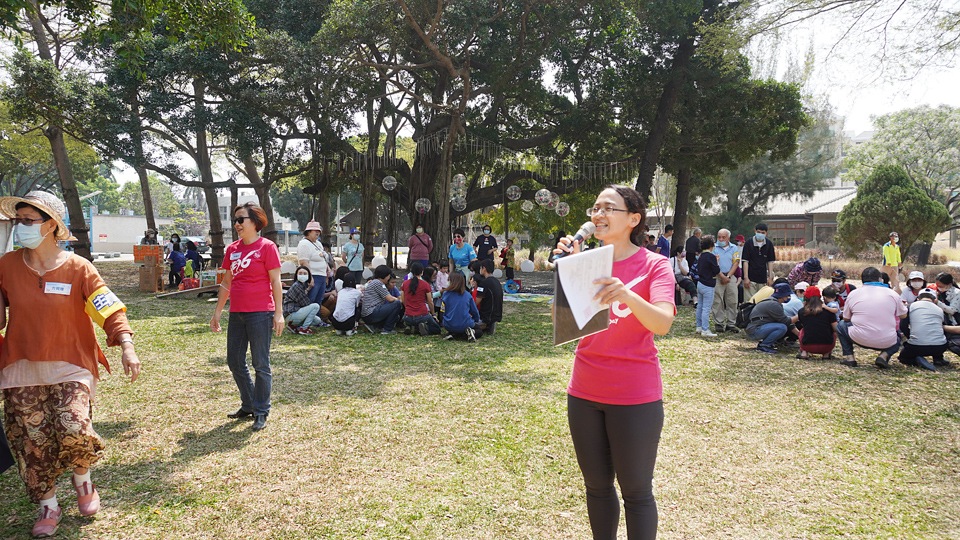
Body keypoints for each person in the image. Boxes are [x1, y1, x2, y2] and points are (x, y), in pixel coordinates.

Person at [0, 191, 140, 537]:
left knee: (73, 427)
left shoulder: (79, 267)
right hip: (20, 367)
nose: (20, 227)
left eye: (28, 221)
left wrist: (126, 344)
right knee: (33, 443)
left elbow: (108, 308)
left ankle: (83, 481)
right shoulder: (5, 266)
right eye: (17, 221)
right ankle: (49, 506)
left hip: (71, 364)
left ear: (51, 226)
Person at [554, 184, 675, 540]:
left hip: (635, 396)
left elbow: (662, 323)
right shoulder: (586, 262)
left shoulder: (654, 264)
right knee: (596, 487)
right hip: (584, 391)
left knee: (636, 491)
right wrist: (568, 270)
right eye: (595, 207)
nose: (598, 214)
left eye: (609, 208)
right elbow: (564, 323)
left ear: (633, 219)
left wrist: (626, 294)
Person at [210, 202, 284, 432]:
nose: (237, 224)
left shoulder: (267, 247)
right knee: (234, 361)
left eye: (241, 219)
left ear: (255, 221)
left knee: (260, 363)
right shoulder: (232, 250)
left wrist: (279, 313)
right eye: (235, 220)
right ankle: (249, 403)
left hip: (261, 312)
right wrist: (217, 312)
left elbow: (276, 281)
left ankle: (261, 411)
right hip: (237, 312)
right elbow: (227, 283)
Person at [837, 266, 908, 368]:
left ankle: (850, 358)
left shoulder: (854, 294)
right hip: (887, 340)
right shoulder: (892, 294)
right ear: (880, 279)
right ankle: (884, 356)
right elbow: (903, 315)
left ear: (862, 280)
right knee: (897, 338)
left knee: (841, 325)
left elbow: (846, 319)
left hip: (859, 338)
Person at [898, 289, 948, 371]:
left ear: (918, 298)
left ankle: (917, 361)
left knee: (903, 357)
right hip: (940, 347)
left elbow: (903, 326)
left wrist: (909, 336)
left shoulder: (911, 306)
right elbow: (944, 328)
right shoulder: (940, 310)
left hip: (917, 346)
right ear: (934, 299)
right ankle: (938, 359)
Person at [745, 282, 795, 354]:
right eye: (787, 295)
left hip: (755, 328)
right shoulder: (774, 304)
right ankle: (764, 345)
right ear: (783, 295)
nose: (788, 297)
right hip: (754, 331)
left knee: (781, 326)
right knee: (782, 327)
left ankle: (768, 343)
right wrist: (800, 315)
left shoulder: (773, 302)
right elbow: (786, 321)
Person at [795, 286, 838, 359]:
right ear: (820, 297)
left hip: (808, 345)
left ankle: (804, 352)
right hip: (827, 346)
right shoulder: (828, 311)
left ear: (805, 298)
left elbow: (803, 325)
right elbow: (836, 328)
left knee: (803, 330)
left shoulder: (802, 311)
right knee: (832, 332)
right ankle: (826, 354)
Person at [711, 228, 739, 334]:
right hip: (718, 276)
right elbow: (714, 263)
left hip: (730, 276)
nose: (721, 239)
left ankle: (731, 324)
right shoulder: (714, 248)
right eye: (719, 237)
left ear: (728, 238)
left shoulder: (734, 248)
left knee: (732, 300)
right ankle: (718, 323)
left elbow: (736, 262)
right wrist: (722, 276)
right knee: (718, 300)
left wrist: (728, 276)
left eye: (723, 237)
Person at [401, 262, 441, 336]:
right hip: (422, 316)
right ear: (422, 272)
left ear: (411, 271)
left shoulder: (405, 284)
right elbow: (430, 301)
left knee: (411, 320)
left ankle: (409, 326)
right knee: (437, 329)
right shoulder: (425, 284)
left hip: (407, 316)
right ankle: (423, 327)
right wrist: (433, 314)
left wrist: (408, 308)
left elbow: (403, 300)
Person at [441, 271, 482, 341]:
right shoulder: (468, 295)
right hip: (465, 324)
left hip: (449, 324)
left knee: (453, 326)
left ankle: (450, 333)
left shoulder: (445, 294)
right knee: (479, 331)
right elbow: (474, 311)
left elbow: (442, 311)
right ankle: (471, 332)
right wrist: (475, 320)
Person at [361, 265, 402, 334]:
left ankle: (375, 326)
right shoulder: (378, 283)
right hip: (371, 312)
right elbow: (390, 299)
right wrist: (398, 301)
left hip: (367, 314)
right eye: (388, 276)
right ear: (385, 276)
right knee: (397, 304)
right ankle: (387, 329)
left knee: (396, 317)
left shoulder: (374, 282)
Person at [283, 266, 322, 335]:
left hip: (293, 315)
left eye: (305, 273)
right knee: (315, 306)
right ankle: (304, 329)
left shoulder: (301, 285)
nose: (302, 275)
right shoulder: (297, 286)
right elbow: (306, 303)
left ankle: (293, 326)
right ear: (296, 275)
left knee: (317, 320)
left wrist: (308, 289)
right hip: (291, 314)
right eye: (300, 273)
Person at [740, 223, 775, 298]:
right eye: (758, 232)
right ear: (755, 231)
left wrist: (770, 278)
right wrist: (746, 278)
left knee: (762, 301)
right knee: (750, 302)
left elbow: (770, 262)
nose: (760, 234)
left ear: (766, 233)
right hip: (750, 278)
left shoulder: (769, 244)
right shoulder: (749, 243)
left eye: (763, 233)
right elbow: (745, 261)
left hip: (762, 278)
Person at [297, 221, 328, 305]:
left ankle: (317, 317)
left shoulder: (318, 243)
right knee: (311, 300)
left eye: (319, 231)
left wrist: (327, 269)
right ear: (309, 231)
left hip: (321, 275)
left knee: (319, 300)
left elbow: (323, 257)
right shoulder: (304, 244)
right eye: (315, 230)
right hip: (313, 275)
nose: (318, 232)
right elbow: (304, 262)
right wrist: (310, 278)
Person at [695, 235, 720, 337]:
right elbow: (716, 270)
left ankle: (699, 326)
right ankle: (705, 329)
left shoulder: (701, 256)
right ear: (711, 245)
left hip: (700, 283)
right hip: (708, 284)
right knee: (706, 308)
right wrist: (717, 262)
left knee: (700, 306)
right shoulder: (711, 257)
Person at [475, 259, 503, 335]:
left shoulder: (484, 283)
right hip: (496, 314)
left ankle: (485, 325)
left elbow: (477, 301)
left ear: (484, 269)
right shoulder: (497, 282)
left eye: (481, 268)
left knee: (466, 324)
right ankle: (489, 324)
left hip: (487, 315)